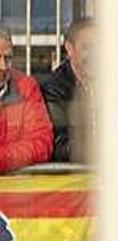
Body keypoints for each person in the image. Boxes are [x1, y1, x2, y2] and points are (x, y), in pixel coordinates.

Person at [40, 18, 95, 163]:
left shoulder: (114, 83)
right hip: (75, 180)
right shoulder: (54, 88)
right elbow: (59, 147)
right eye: (87, 47)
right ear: (69, 49)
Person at [0, 25, 53, 171]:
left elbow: (42, 144)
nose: (3, 66)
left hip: (18, 188)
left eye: (8, 58)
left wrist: (3, 158)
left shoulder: (26, 87)